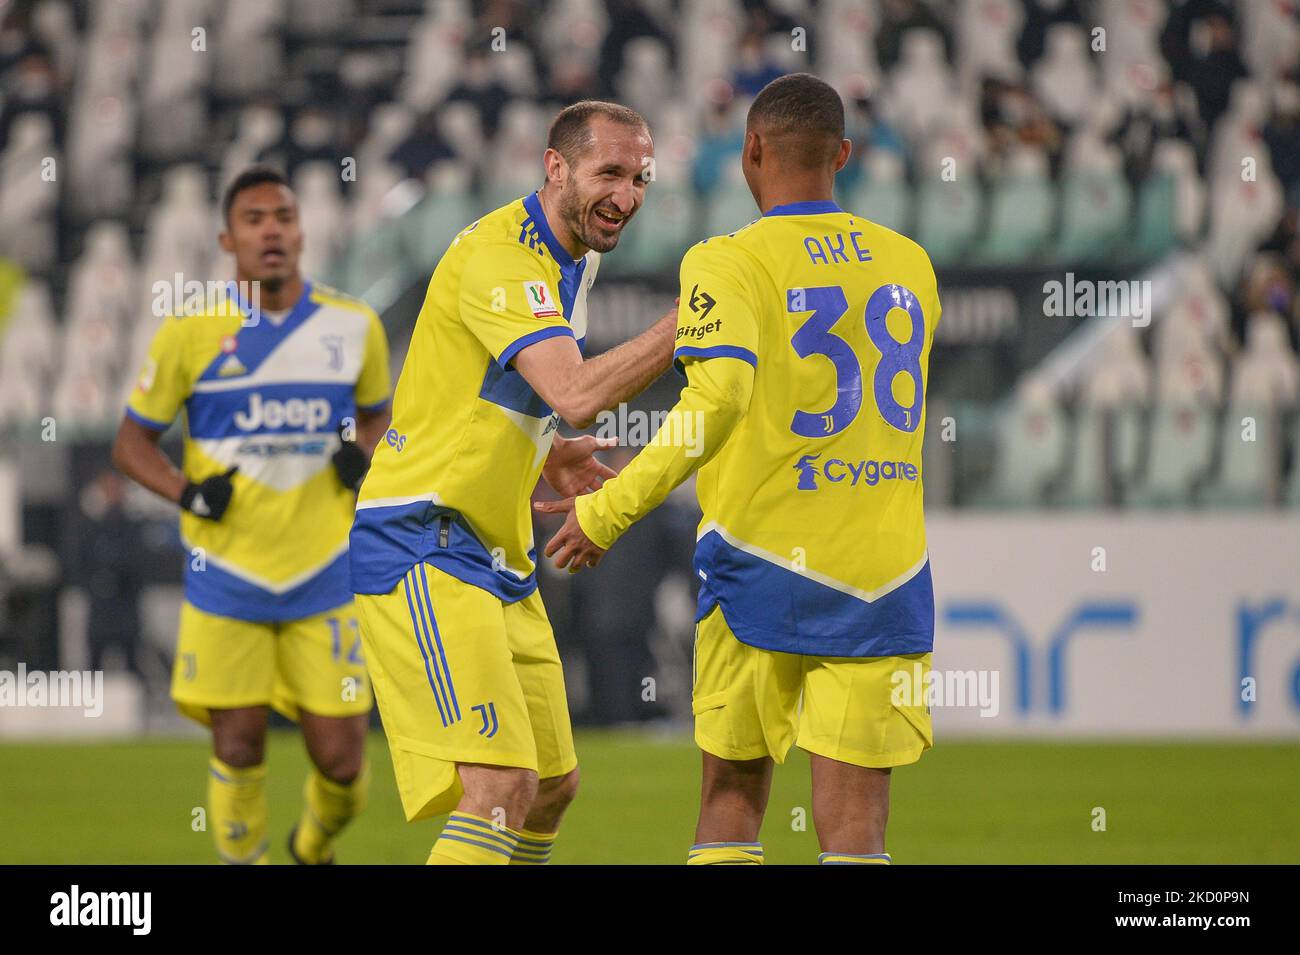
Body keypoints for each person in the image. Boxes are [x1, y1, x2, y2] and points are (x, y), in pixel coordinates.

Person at [540, 73, 942, 865]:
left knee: (732, 796)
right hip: (886, 570)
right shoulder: (910, 263)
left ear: (750, 151)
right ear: (846, 157)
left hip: (761, 564)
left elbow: (715, 401)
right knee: (858, 823)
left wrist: (611, 507)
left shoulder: (727, 259)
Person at [349, 100, 675, 865]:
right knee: (497, 786)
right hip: (423, 537)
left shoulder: (573, 258)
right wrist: (690, 321)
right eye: (609, 173)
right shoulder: (502, 255)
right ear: (554, 167)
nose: (626, 196)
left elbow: (510, 388)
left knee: (553, 785)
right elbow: (576, 390)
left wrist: (543, 449)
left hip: (498, 551)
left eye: (640, 178)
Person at [113, 166, 392, 864]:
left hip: (327, 570)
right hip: (227, 572)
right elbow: (129, 442)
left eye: (284, 217)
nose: (272, 230)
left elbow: (379, 414)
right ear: (227, 238)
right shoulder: (190, 332)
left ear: (302, 231)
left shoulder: (353, 326)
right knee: (236, 743)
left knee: (343, 762)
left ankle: (311, 845)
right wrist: (186, 492)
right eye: (255, 219)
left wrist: (361, 451)